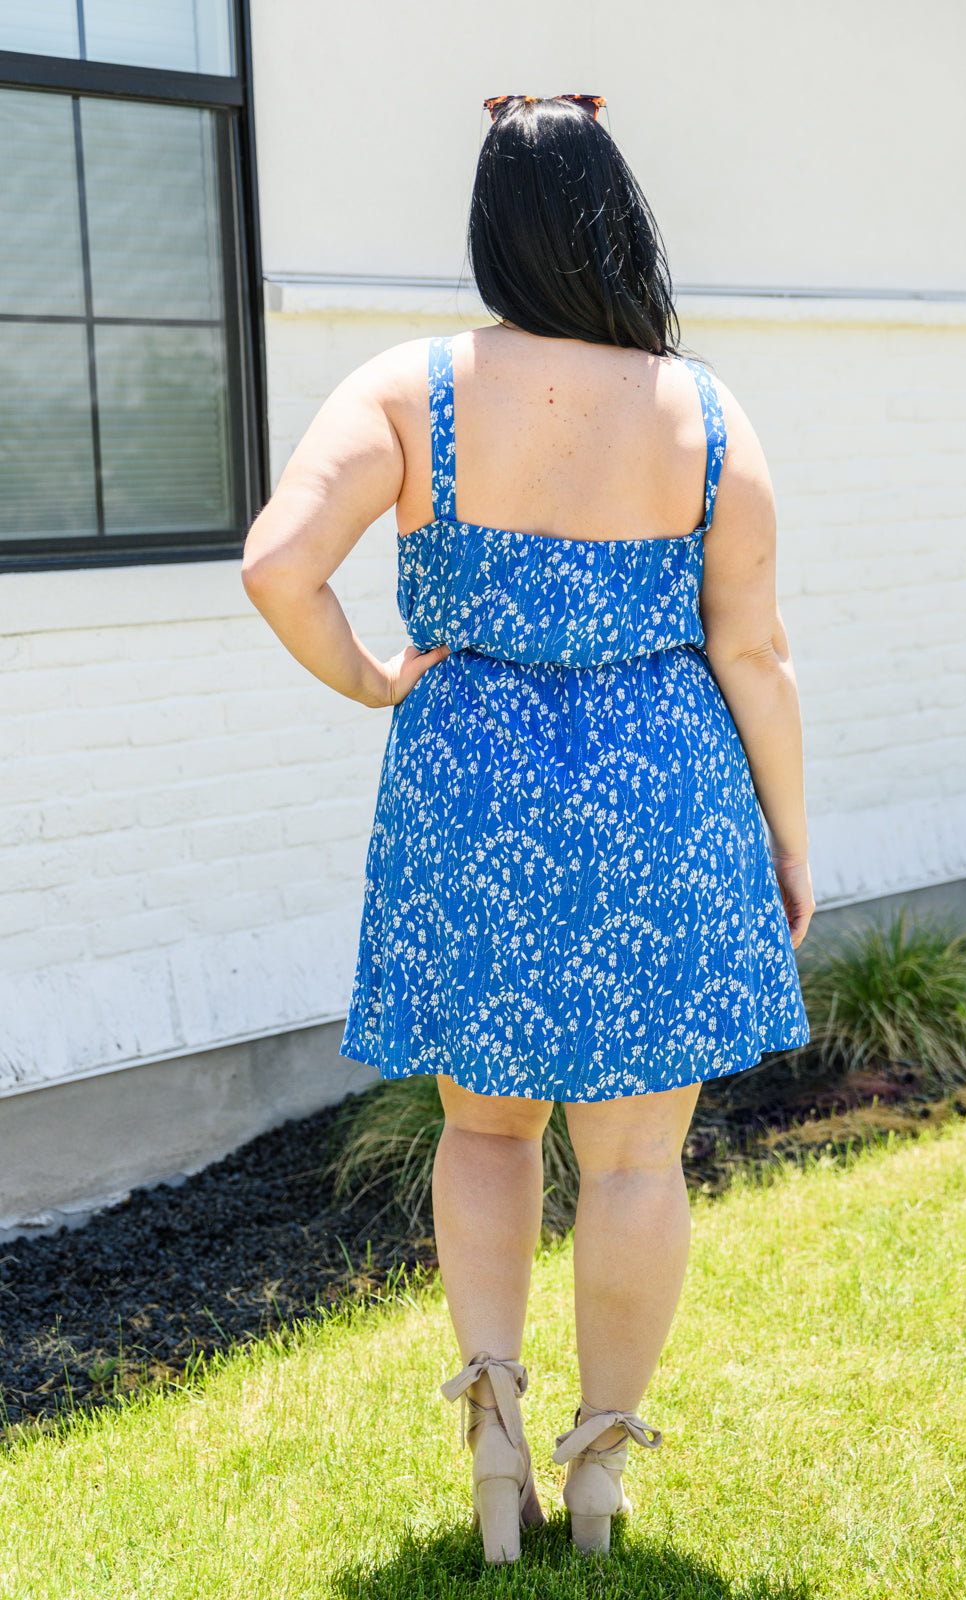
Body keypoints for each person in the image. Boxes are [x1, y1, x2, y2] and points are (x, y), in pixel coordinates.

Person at [242, 92, 813, 1564]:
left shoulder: (410, 388)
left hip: (470, 792)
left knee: (484, 1129)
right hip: (662, 799)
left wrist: (374, 678)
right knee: (633, 1163)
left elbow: (278, 564)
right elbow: (755, 654)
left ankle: (497, 1452)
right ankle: (602, 1476)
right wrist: (788, 840)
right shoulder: (702, 413)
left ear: (491, 230)